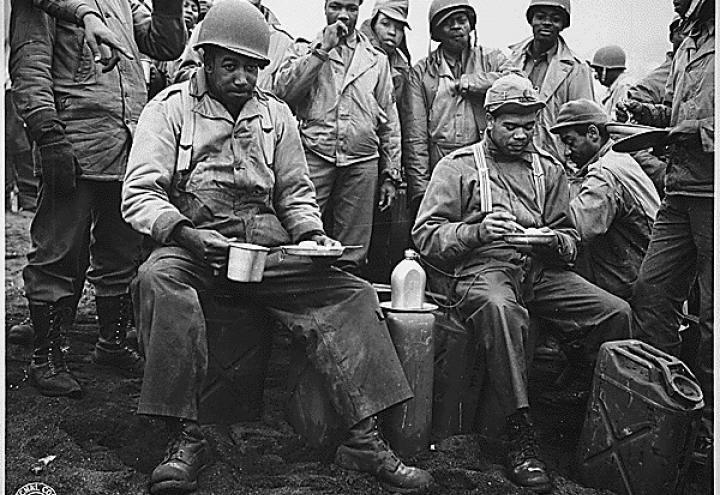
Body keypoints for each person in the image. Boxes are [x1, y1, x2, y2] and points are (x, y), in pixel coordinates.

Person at [121, 1, 433, 493]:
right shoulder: (170, 109)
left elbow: (295, 193)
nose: (244, 78)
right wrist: (184, 234)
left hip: (265, 248)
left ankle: (363, 438)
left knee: (350, 292)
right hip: (194, 243)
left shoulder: (276, 114)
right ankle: (182, 438)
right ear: (205, 60)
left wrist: (311, 235)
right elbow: (140, 192)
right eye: (231, 66)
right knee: (157, 280)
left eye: (252, 67)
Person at [412, 74, 630, 493]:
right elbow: (426, 236)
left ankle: (585, 420)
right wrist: (476, 232)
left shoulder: (548, 169)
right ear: (489, 121)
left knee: (614, 313)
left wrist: (553, 241)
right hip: (483, 270)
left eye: (528, 126)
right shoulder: (457, 167)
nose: (520, 135)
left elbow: (570, 236)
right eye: (510, 125)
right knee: (500, 309)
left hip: (539, 268)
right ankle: (520, 433)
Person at [9, 0, 186, 397]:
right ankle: (47, 358)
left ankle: (112, 343)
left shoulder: (122, 3)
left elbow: (163, 44)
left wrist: (169, 7)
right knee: (58, 254)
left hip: (125, 146)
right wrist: (48, 133)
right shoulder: (43, 5)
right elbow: (29, 67)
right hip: (72, 147)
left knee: (120, 252)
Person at [616, 0, 714, 464]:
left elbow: (698, 121)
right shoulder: (688, 36)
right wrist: (648, 113)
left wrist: (694, 130)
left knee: (715, 319)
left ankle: (710, 430)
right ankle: (668, 406)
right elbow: (676, 102)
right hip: (681, 190)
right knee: (651, 294)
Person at [274, 0, 401, 274]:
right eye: (335, 6)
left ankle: (345, 306)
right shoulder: (304, 47)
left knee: (353, 252)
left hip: (362, 161)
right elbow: (283, 94)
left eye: (351, 8)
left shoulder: (376, 59)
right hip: (313, 153)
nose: (343, 15)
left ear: (359, 10)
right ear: (325, 8)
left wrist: (390, 173)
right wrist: (321, 51)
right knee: (300, 236)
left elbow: (390, 120)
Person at [401, 0, 517, 210]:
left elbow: (518, 81)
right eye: (448, 23)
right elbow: (415, 135)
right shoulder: (421, 73)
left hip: (486, 160)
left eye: (461, 20)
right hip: (440, 162)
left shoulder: (491, 59)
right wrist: (420, 188)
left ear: (471, 25)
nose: (456, 27)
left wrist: (473, 82)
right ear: (437, 31)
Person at [550, 99, 660, 300]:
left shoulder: (604, 173)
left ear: (593, 133)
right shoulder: (617, 158)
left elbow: (576, 228)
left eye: (570, 141)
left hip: (633, 285)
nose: (566, 152)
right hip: (646, 274)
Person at [359, 0, 413, 282]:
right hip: (352, 154)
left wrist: (392, 172)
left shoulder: (403, 65)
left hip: (385, 154)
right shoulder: (357, 51)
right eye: (386, 24)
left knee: (381, 227)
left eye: (399, 27)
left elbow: (395, 121)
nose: (392, 32)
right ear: (372, 21)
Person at [507, 0, 595, 166]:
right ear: (531, 20)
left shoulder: (577, 69)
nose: (547, 23)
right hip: (512, 156)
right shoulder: (511, 60)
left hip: (553, 160)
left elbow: (583, 122)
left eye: (555, 19)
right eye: (540, 17)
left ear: (563, 25)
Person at [173, 0, 293, 91]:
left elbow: (284, 94)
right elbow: (183, 76)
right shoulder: (207, 26)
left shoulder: (282, 42)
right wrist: (213, 81)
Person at [590, 45, 634, 121]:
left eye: (598, 70)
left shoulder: (624, 88)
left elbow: (618, 121)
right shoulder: (615, 88)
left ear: (605, 70)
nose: (596, 75)